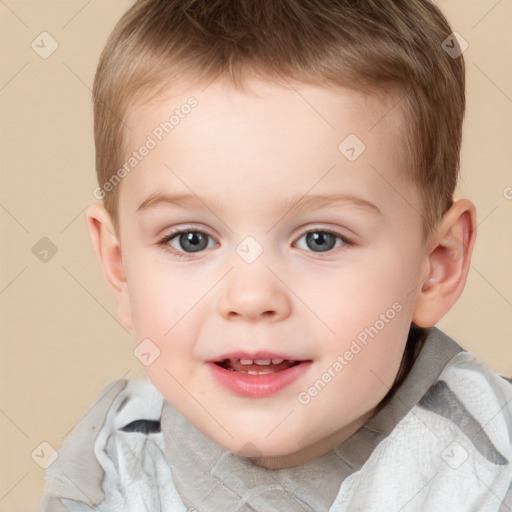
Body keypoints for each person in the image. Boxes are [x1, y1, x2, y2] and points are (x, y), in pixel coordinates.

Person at [38, 1, 512, 510]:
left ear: (435, 266)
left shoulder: (486, 466)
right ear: (120, 268)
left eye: (320, 239)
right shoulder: (107, 469)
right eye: (191, 239)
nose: (250, 297)